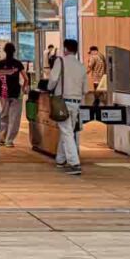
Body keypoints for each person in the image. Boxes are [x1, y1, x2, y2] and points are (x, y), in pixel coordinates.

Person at [44, 38, 86, 175]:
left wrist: (49, 88)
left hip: (63, 102)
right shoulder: (81, 66)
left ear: (65, 49)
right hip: (76, 103)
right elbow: (85, 89)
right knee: (67, 129)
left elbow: (53, 79)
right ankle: (60, 159)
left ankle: (75, 163)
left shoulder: (60, 61)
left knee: (67, 132)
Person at [0, 42, 29, 147]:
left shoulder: (0, 64)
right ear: (14, 51)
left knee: (4, 115)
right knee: (14, 117)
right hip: (15, 93)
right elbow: (26, 79)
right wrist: (23, 89)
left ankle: (1, 138)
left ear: (5, 51)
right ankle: (9, 141)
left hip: (3, 92)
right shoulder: (18, 63)